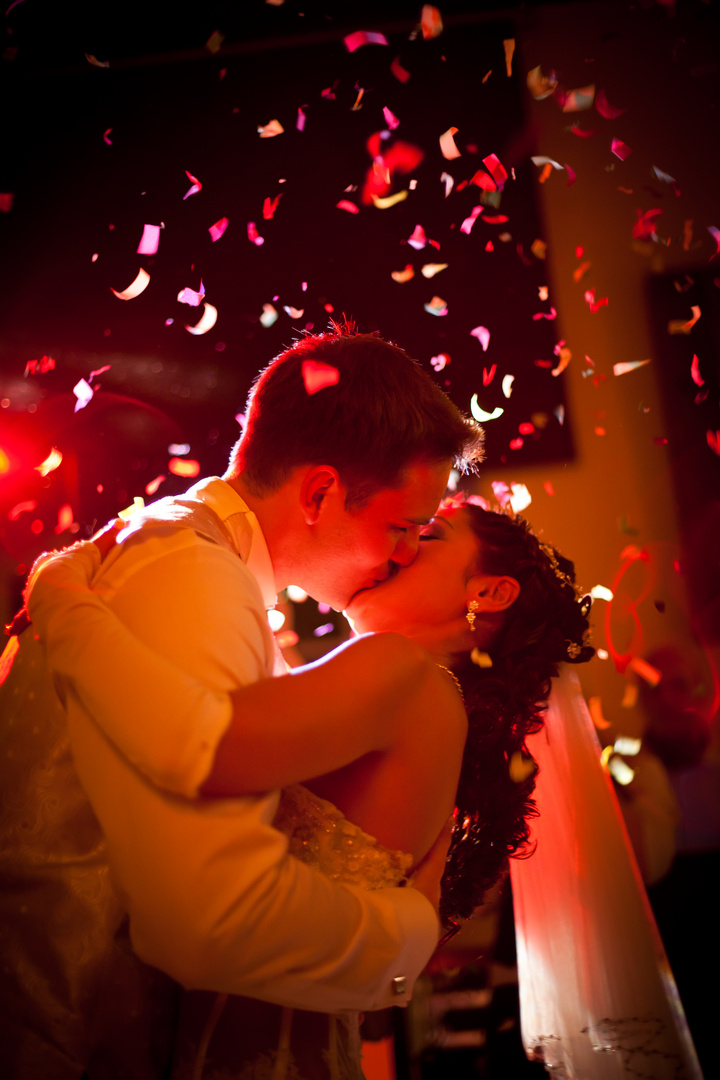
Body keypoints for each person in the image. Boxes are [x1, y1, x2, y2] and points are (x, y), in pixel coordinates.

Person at [0, 324, 484, 1079]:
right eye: (401, 527)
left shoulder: (211, 569)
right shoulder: (195, 576)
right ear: (321, 491)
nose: (403, 557)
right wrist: (408, 938)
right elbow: (210, 920)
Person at [22, 494, 596, 1078]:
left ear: (490, 593)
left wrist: (61, 599)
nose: (399, 549)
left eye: (430, 535)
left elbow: (197, 742)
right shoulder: (433, 704)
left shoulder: (403, 670)